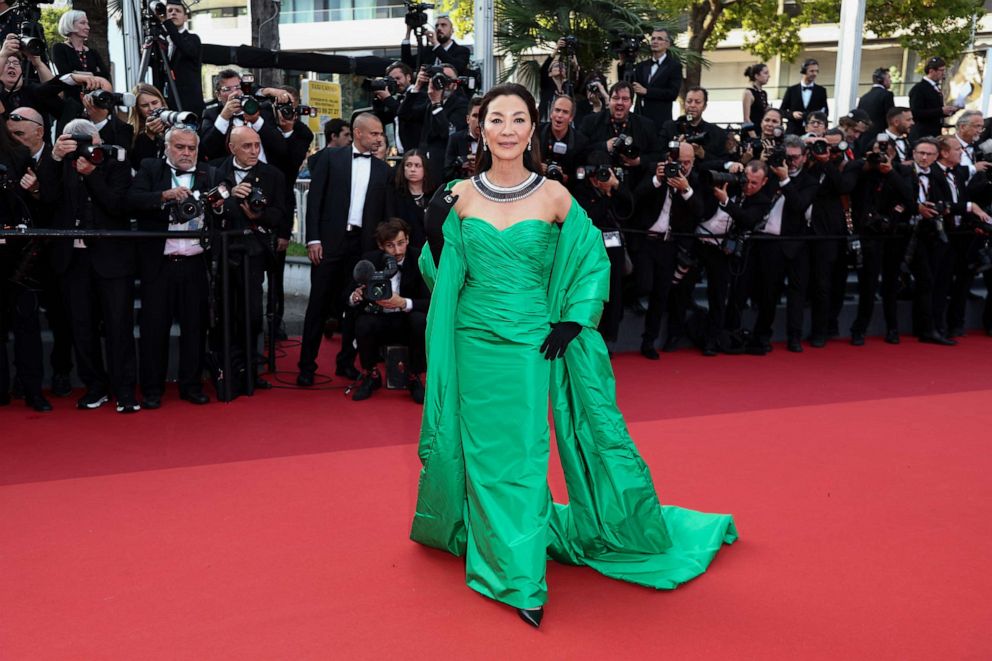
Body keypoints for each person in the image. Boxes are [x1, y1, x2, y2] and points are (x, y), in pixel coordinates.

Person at [411, 83, 737, 627]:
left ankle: (514, 566)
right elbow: (440, 273)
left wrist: (574, 318)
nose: (508, 129)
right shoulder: (459, 193)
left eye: (519, 119)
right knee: (486, 452)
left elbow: (591, 261)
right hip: (472, 338)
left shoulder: (555, 195)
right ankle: (513, 566)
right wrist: (433, 228)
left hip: (531, 343)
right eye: (497, 119)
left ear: (533, 128)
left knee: (521, 450)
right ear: (482, 127)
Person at [43, 119, 138, 412]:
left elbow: (117, 205)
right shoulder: (61, 163)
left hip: (111, 258)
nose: (84, 145)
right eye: (76, 139)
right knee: (81, 328)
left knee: (118, 326)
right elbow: (47, 199)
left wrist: (93, 173)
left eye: (89, 138)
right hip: (73, 260)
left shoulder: (115, 160)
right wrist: (56, 157)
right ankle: (95, 387)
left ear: (99, 138)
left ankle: (124, 391)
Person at [126, 126, 222, 408]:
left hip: (195, 263)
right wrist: (165, 196)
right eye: (180, 147)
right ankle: (152, 390)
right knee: (154, 329)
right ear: (167, 147)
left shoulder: (208, 174)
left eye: (191, 148)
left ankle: (191, 386)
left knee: (195, 328)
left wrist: (216, 207)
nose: (186, 153)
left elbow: (224, 209)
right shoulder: (150, 168)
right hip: (159, 264)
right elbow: (131, 200)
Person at [297, 113, 392, 386]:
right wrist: (313, 239)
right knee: (318, 305)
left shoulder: (383, 170)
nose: (378, 138)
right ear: (358, 133)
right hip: (329, 242)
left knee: (354, 305)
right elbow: (314, 202)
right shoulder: (330, 158)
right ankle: (306, 366)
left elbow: (383, 214)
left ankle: (346, 363)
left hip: (361, 246)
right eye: (374, 133)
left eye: (380, 134)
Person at [348, 219, 430, 402]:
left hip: (406, 322)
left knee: (420, 320)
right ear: (380, 245)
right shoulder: (370, 260)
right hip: (380, 320)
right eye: (390, 245)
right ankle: (371, 374)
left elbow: (430, 302)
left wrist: (403, 302)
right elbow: (347, 295)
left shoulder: (420, 259)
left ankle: (414, 377)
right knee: (363, 322)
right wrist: (355, 296)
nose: (398, 251)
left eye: (401, 243)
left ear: (408, 239)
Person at [153, 0, 204, 116]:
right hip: (169, 105)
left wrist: (166, 23)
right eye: (169, 11)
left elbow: (186, 49)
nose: (173, 13)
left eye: (178, 11)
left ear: (185, 18)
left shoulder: (193, 39)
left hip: (189, 106)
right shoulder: (162, 43)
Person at [631, 28, 682, 129]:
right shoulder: (641, 66)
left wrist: (647, 91)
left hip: (660, 121)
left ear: (667, 44)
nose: (655, 41)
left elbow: (672, 94)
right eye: (653, 38)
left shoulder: (674, 66)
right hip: (639, 119)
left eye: (659, 39)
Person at [390, 149, 433, 251]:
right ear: (403, 168)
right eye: (408, 165)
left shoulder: (434, 195)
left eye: (417, 165)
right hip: (405, 251)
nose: (412, 169)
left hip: (431, 251)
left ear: (425, 169)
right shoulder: (395, 195)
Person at [401, 14, 470, 75]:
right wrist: (408, 33)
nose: (439, 28)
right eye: (437, 26)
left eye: (443, 25)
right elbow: (406, 64)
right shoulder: (428, 51)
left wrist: (436, 44)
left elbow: (456, 68)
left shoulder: (462, 51)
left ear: (452, 30)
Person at [51, 11, 111, 81]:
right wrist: (93, 75)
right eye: (82, 23)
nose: (88, 27)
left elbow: (105, 75)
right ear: (70, 24)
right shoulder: (60, 48)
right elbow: (65, 75)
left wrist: (77, 74)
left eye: (87, 24)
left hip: (94, 91)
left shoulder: (93, 52)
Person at [909, 57, 959, 141]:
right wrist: (940, 111)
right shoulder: (919, 89)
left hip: (935, 132)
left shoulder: (935, 88)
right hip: (923, 134)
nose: (943, 73)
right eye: (941, 70)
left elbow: (935, 110)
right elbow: (915, 113)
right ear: (931, 71)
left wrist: (949, 111)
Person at [779, 59, 828, 135]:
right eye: (812, 71)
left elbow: (825, 111)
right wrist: (792, 114)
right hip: (793, 131)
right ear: (804, 71)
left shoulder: (821, 91)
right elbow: (782, 111)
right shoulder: (791, 90)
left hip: (813, 132)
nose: (815, 74)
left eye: (816, 71)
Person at [127, 83, 168, 170]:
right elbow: (140, 166)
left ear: (162, 102)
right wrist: (149, 135)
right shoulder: (130, 132)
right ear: (137, 109)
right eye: (145, 105)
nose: (152, 108)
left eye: (155, 102)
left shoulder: (173, 122)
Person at [742, 63, 770, 129]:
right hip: (752, 133)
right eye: (765, 73)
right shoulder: (748, 93)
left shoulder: (763, 93)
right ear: (756, 76)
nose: (769, 76)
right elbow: (746, 119)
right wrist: (754, 137)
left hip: (761, 131)